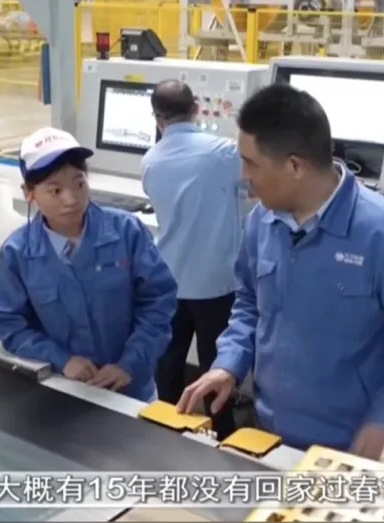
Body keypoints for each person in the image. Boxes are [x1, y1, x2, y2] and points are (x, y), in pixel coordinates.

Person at [177, 84, 384, 458]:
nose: (243, 175)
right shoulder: (263, 222)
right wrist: (229, 364)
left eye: (251, 163)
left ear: (295, 166)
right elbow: (249, 302)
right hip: (269, 433)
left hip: (351, 444)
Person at [0, 127, 178, 402]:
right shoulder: (17, 253)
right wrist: (61, 359)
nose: (71, 199)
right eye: (55, 190)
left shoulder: (126, 232)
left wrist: (129, 363)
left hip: (132, 391)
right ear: (29, 192)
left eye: (79, 184)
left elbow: (158, 302)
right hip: (63, 391)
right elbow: (7, 322)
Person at [142, 80, 242, 439]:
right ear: (196, 109)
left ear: (157, 119)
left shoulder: (150, 160)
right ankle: (223, 434)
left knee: (169, 365)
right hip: (216, 284)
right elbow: (257, 183)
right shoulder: (225, 153)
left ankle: (169, 431)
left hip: (171, 280)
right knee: (217, 367)